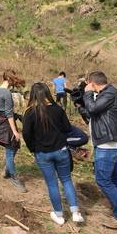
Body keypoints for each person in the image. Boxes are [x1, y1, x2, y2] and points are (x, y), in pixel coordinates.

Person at [22, 82, 84, 225]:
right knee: (67, 180)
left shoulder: (29, 112)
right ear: (48, 93)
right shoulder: (58, 109)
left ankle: (59, 216)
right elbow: (67, 128)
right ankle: (75, 213)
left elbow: (26, 134)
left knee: (52, 184)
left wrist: (33, 148)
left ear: (32, 95)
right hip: (61, 150)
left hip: (42, 153)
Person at [80, 71, 117, 230]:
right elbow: (92, 112)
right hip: (110, 143)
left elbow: (93, 108)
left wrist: (87, 94)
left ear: (93, 83)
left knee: (103, 180)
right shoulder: (108, 94)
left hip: (107, 145)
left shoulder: (110, 94)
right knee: (116, 179)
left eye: (89, 84)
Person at [0, 69, 27, 193]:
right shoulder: (6, 93)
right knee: (10, 151)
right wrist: (15, 131)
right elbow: (8, 113)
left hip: (1, 122)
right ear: (9, 79)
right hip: (6, 124)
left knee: (13, 148)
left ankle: (7, 170)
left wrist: (17, 116)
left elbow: (0, 109)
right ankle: (13, 177)